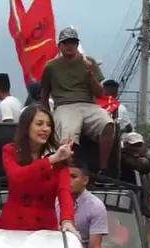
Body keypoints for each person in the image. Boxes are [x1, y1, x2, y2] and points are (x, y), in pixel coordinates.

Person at [41, 27, 115, 171]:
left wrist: (91, 74)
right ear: (59, 46)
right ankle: (68, 170)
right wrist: (46, 114)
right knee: (67, 134)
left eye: (73, 42)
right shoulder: (51, 66)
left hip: (88, 104)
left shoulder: (89, 62)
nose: (69, 46)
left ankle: (104, 169)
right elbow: (45, 92)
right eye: (66, 42)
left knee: (108, 123)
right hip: (64, 105)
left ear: (77, 45)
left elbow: (100, 93)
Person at [0, 105, 77, 235]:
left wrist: (67, 220)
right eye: (39, 124)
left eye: (49, 125)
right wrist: (51, 160)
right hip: (13, 225)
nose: (45, 129)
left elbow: (64, 191)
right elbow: (17, 177)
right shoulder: (10, 151)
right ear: (26, 127)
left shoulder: (59, 156)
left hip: (44, 226)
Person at [61, 163, 109, 248]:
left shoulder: (96, 206)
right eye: (64, 176)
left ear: (85, 180)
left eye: (73, 176)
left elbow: (95, 247)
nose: (68, 180)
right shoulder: (53, 200)